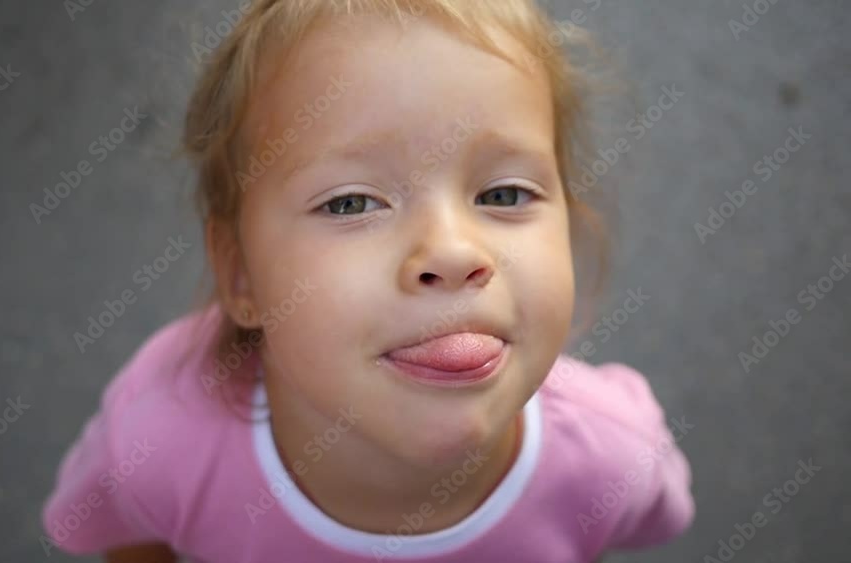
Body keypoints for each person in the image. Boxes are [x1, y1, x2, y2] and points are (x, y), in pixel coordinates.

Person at [41, 1, 695, 561]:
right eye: (351, 202)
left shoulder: (614, 459)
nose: (453, 252)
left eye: (503, 193)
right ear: (240, 272)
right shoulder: (157, 441)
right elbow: (129, 538)